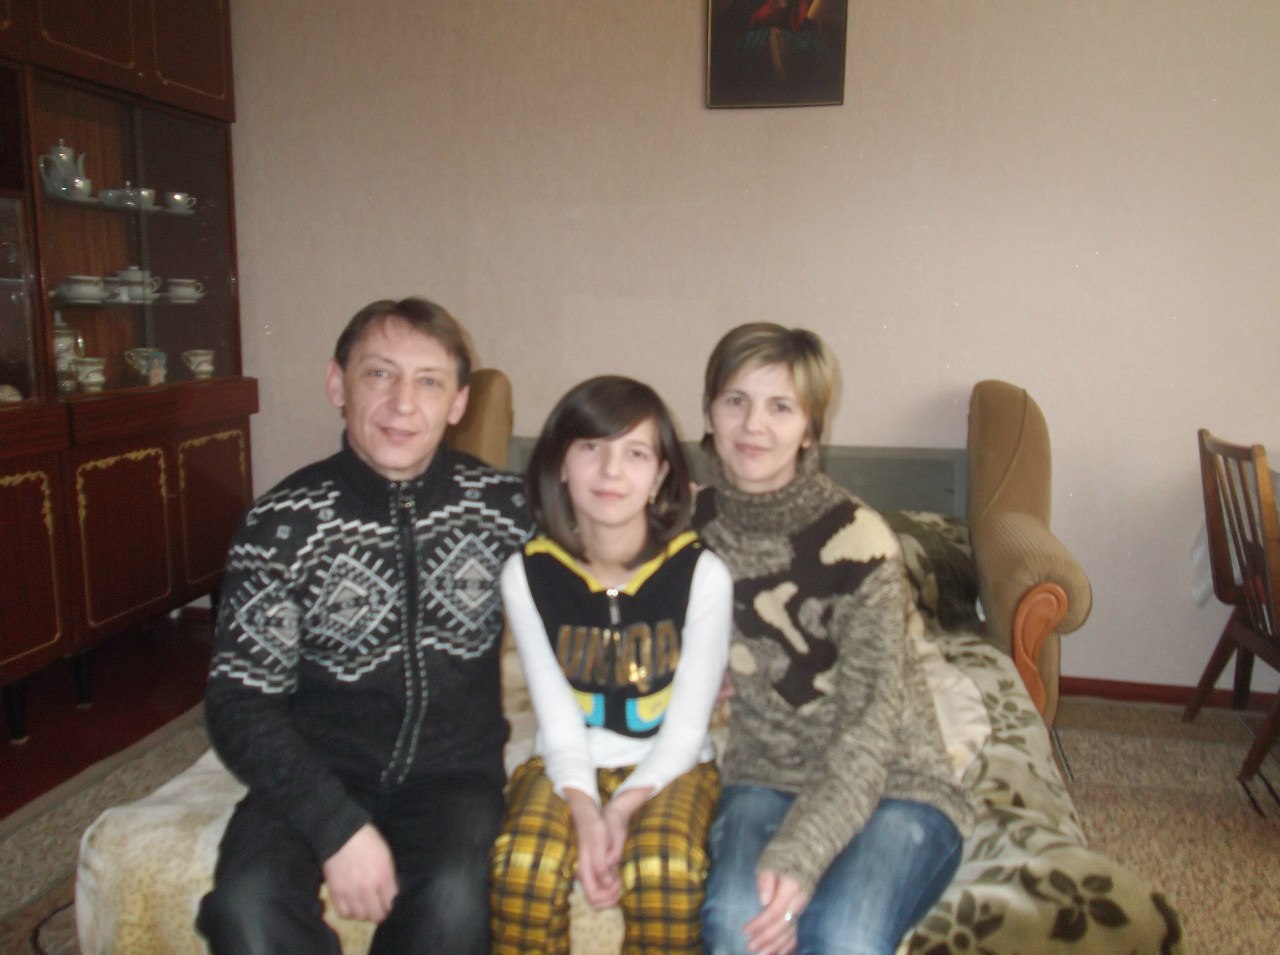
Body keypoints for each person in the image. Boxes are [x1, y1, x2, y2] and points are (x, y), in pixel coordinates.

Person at [196, 297, 533, 955]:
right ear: (337, 384)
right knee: (246, 905)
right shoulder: (281, 524)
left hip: (453, 775)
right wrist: (337, 828)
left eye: (429, 381)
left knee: (454, 910)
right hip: (316, 764)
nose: (402, 403)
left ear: (458, 403)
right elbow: (238, 701)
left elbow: (616, 568)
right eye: (379, 373)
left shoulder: (505, 508)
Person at [695, 324, 976, 955]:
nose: (753, 425)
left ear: (810, 428)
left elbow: (871, 722)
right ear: (709, 413)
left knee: (841, 937)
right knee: (738, 926)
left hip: (896, 782)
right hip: (764, 773)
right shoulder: (691, 528)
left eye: (781, 407)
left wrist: (804, 852)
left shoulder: (860, 539)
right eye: (735, 400)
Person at [490, 375, 732, 955]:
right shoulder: (529, 574)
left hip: (672, 764)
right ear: (560, 464)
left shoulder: (700, 574)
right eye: (591, 447)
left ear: (662, 475)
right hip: (566, 758)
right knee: (522, 865)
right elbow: (557, 721)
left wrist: (621, 810)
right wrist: (584, 808)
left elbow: (686, 731)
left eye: (636, 453)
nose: (611, 470)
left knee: (664, 867)